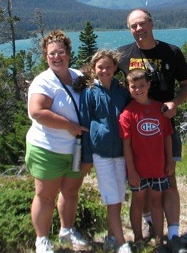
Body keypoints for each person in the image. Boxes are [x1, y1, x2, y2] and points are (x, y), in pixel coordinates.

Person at [117, 8, 187, 253]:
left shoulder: (171, 52)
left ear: (151, 23)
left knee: (168, 180)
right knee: (144, 186)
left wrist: (175, 103)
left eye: (142, 24)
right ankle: (152, 228)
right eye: (133, 26)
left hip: (164, 128)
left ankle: (173, 235)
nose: (139, 29)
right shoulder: (123, 56)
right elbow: (101, 72)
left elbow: (186, 86)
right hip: (136, 131)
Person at [25, 30, 90, 253]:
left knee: (71, 192)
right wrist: (69, 126)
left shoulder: (78, 77)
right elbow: (37, 111)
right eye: (52, 53)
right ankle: (42, 240)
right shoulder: (43, 82)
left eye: (60, 52)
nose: (56, 57)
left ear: (68, 53)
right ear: (46, 56)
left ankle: (67, 230)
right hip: (47, 148)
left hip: (76, 149)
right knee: (45, 196)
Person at [76, 49, 132, 253]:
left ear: (116, 68)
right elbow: (85, 125)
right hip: (101, 154)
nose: (105, 70)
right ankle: (122, 243)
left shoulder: (122, 92)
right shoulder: (90, 93)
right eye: (100, 67)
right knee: (111, 198)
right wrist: (88, 156)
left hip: (121, 152)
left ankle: (111, 237)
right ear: (93, 69)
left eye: (109, 66)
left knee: (117, 196)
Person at [120, 68, 174, 250]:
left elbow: (167, 137)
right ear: (128, 88)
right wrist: (131, 170)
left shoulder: (160, 109)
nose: (138, 90)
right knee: (137, 201)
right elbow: (126, 145)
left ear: (149, 85)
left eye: (141, 85)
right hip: (138, 170)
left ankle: (159, 239)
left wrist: (170, 160)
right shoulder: (127, 113)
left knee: (156, 202)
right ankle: (137, 238)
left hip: (158, 166)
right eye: (133, 86)